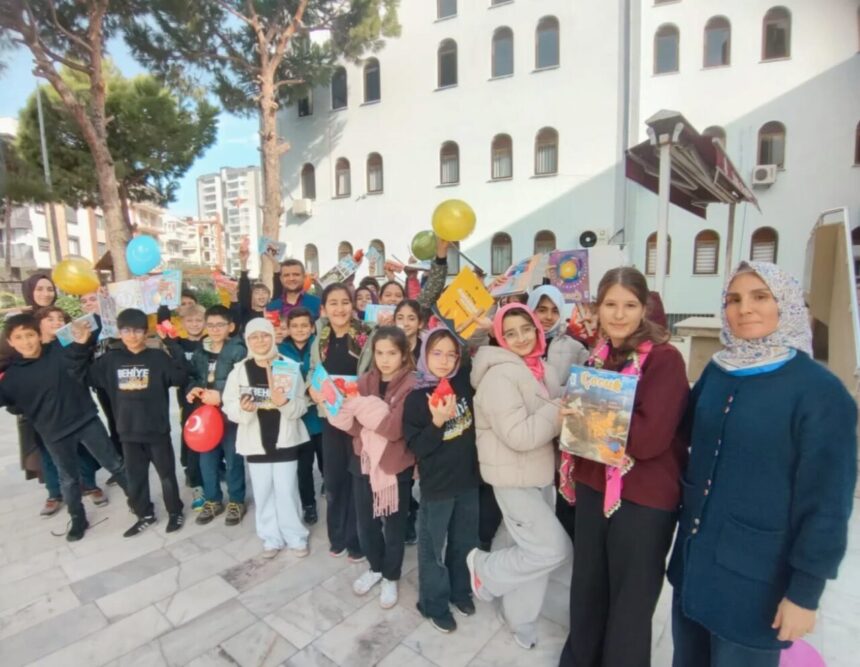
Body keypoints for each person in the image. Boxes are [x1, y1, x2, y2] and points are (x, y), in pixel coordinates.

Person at [668, 262, 858, 667]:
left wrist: (805, 594)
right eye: (733, 299)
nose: (744, 309)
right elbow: (681, 432)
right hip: (696, 569)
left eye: (760, 297)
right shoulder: (720, 371)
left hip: (756, 585)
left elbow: (827, 505)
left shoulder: (819, 392)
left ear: (785, 305)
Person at [558, 267, 690, 667]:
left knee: (630, 603)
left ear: (644, 308)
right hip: (594, 485)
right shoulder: (598, 357)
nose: (618, 315)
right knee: (588, 590)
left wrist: (589, 413)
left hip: (643, 498)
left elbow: (649, 440)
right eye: (610, 304)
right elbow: (579, 429)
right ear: (597, 308)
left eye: (629, 305)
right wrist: (575, 413)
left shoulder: (665, 360)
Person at [466, 303, 571, 650]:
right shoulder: (499, 375)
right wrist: (559, 410)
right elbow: (519, 436)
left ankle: (520, 618)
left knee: (520, 544)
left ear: (537, 329)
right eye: (510, 333)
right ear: (499, 337)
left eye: (526, 328)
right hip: (512, 476)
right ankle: (484, 569)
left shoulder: (544, 369)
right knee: (551, 548)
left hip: (541, 472)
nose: (521, 338)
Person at [0, 313, 127, 541]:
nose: (26, 341)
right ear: (10, 342)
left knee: (115, 464)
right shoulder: (11, 377)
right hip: (54, 434)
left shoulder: (59, 348)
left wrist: (81, 333)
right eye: (18, 337)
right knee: (68, 479)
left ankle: (139, 502)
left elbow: (89, 333)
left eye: (30, 335)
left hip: (86, 420)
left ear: (39, 335)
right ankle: (78, 519)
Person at [72, 308, 189, 536]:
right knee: (136, 478)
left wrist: (173, 345)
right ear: (119, 332)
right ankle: (144, 514)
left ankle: (175, 511)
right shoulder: (110, 360)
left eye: (137, 330)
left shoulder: (158, 358)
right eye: (126, 330)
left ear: (146, 333)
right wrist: (82, 346)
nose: (132, 335)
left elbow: (181, 376)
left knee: (167, 476)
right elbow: (82, 376)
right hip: (128, 433)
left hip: (157, 431)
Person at [326, 326, 416, 610]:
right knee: (365, 523)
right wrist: (340, 408)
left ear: (403, 355)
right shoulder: (364, 381)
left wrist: (363, 410)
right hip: (363, 460)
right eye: (380, 353)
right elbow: (353, 426)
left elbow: (393, 429)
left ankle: (391, 575)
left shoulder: (412, 384)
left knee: (394, 525)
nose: (385, 359)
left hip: (394, 464)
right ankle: (376, 567)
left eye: (392, 353)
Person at [404, 327, 480, 634]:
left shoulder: (463, 383)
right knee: (433, 548)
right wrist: (437, 421)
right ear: (424, 355)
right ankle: (433, 603)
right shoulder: (416, 398)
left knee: (465, 542)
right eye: (437, 353)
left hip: (468, 481)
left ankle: (460, 592)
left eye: (451, 354)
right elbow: (417, 447)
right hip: (437, 487)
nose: (444, 361)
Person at [223, 318, 311, 558]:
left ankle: (295, 536)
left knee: (286, 490)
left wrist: (286, 404)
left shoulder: (289, 366)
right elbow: (229, 404)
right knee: (262, 492)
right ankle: (270, 537)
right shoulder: (240, 370)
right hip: (255, 441)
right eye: (254, 337)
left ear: (273, 337)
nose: (260, 341)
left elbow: (302, 404)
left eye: (265, 335)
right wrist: (244, 410)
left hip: (285, 439)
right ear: (247, 340)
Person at [307, 282, 373, 561]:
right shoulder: (320, 337)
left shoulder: (367, 336)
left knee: (358, 478)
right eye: (333, 303)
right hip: (331, 418)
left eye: (345, 302)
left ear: (353, 305)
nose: (339, 308)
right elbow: (312, 371)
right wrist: (313, 388)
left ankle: (357, 539)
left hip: (359, 420)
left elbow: (373, 372)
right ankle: (337, 536)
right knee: (334, 480)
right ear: (324, 308)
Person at [35, 307, 106, 508]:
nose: (56, 322)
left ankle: (90, 485)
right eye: (50, 319)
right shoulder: (31, 346)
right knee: (53, 456)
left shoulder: (69, 342)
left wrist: (99, 309)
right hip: (47, 415)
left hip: (78, 408)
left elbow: (95, 330)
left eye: (60, 318)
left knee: (87, 450)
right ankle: (56, 494)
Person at [187, 305, 248, 526]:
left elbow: (244, 381)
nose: (214, 329)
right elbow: (192, 376)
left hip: (229, 415)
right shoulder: (200, 350)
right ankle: (213, 499)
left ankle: (236, 500)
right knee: (207, 460)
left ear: (230, 327)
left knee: (233, 459)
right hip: (206, 417)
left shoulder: (238, 350)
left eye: (219, 324)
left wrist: (220, 395)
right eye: (210, 324)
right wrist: (192, 389)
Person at [278, 306, 324, 525]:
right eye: (294, 326)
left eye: (304, 325)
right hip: (298, 420)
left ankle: (333, 494)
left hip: (322, 417)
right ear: (287, 328)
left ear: (312, 327)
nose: (299, 329)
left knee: (328, 464)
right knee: (303, 468)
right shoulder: (280, 349)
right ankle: (309, 505)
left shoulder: (320, 346)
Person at [176, 304, 207, 510]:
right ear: (183, 323)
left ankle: (213, 477)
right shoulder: (177, 344)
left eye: (198, 320)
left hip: (210, 400)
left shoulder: (210, 342)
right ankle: (196, 485)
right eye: (190, 321)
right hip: (188, 402)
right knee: (192, 442)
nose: (194, 324)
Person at [527, 285, 588, 389]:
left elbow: (586, 386)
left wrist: (596, 342)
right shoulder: (520, 343)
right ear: (531, 310)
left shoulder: (575, 348)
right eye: (542, 310)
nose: (549, 317)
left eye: (555, 311)